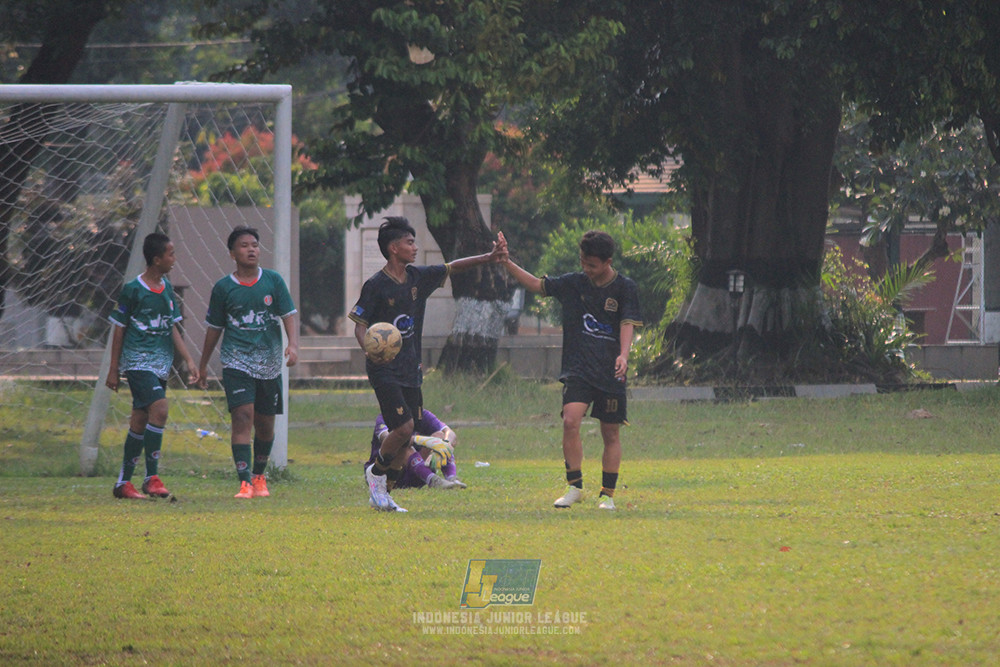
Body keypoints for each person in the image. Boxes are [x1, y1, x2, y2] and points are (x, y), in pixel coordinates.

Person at [349, 216, 505, 512]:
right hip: (384, 370)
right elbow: (360, 325)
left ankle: (384, 494)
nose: (415, 247)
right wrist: (370, 350)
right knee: (403, 428)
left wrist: (489, 257)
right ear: (394, 248)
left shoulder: (417, 278)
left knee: (406, 437)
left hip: (411, 370)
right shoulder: (376, 285)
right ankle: (375, 474)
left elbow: (453, 266)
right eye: (410, 242)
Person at [500, 230, 642, 510]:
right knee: (570, 421)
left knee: (610, 433)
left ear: (608, 262)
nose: (586, 269)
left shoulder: (625, 288)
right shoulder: (573, 283)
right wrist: (506, 262)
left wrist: (624, 355)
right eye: (583, 262)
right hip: (578, 368)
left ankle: (607, 495)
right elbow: (536, 284)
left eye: (592, 265)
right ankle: (574, 487)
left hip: (610, 372)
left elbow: (627, 323)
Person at [196, 226, 299, 499]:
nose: (251, 249)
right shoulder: (223, 288)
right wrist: (203, 364)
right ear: (232, 254)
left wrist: (293, 344)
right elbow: (214, 328)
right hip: (236, 362)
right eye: (244, 245)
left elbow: (288, 314)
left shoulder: (273, 281)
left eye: (254, 245)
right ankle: (244, 483)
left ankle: (259, 476)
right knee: (242, 417)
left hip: (269, 364)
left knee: (265, 425)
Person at [106, 232, 199, 500]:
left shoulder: (167, 288)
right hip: (137, 361)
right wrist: (114, 368)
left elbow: (172, 328)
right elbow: (119, 329)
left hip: (160, 363)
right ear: (157, 259)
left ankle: (123, 483)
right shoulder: (133, 289)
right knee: (160, 408)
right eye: (171, 254)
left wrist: (189, 359)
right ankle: (151, 478)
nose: (174, 258)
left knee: (140, 419)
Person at [365, 409, 466, 491]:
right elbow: (388, 439)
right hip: (388, 475)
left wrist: (443, 445)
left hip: (417, 473)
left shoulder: (421, 413)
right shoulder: (385, 416)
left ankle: (452, 478)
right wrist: (421, 440)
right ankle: (433, 480)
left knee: (440, 436)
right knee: (402, 445)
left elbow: (450, 434)